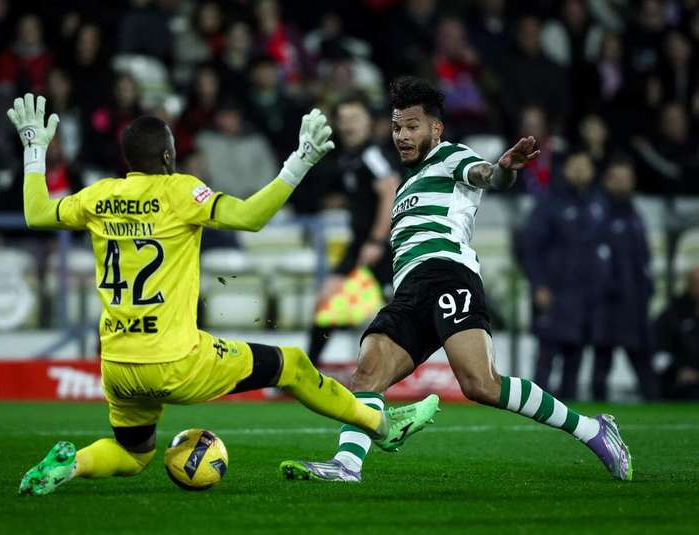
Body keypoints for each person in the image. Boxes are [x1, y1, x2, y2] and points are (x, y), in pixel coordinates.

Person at [9, 94, 438, 496]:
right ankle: (382, 426)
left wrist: (34, 149)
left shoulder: (99, 196)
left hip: (119, 364)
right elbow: (251, 217)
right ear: (167, 156)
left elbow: (36, 214)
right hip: (176, 360)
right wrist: (299, 160)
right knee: (291, 364)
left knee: (134, 454)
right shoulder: (180, 192)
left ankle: (73, 465)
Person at [281, 76, 632, 483]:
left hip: (449, 275)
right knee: (368, 369)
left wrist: (502, 169)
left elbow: (486, 175)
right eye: (397, 127)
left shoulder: (451, 157)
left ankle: (592, 429)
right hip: (410, 288)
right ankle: (347, 465)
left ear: (435, 128)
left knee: (480, 384)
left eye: (412, 126)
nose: (403, 135)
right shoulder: (406, 185)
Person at [306, 95, 399, 364]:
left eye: (355, 119)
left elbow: (390, 191)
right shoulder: (348, 157)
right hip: (361, 243)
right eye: (343, 119)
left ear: (369, 122)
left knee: (398, 313)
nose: (348, 125)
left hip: (383, 244)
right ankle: (308, 371)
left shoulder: (371, 154)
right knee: (327, 302)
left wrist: (376, 241)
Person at [522, 151, 607, 400]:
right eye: (576, 165)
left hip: (587, 295)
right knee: (547, 353)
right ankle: (535, 405)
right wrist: (539, 285)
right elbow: (531, 248)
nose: (581, 171)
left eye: (585, 165)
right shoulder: (549, 202)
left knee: (576, 354)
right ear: (566, 169)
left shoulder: (598, 202)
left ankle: (569, 410)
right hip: (555, 292)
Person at [591, 160, 659, 401]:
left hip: (635, 301)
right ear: (607, 180)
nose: (623, 182)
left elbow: (643, 256)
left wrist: (648, 288)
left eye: (627, 177)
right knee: (602, 360)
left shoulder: (634, 213)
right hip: (608, 303)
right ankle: (594, 412)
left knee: (643, 361)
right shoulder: (599, 211)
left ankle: (656, 408)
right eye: (617, 177)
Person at [655, 267, 699, 400]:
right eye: (696, 283)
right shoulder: (673, 314)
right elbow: (660, 355)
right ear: (689, 285)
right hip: (682, 382)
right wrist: (678, 369)